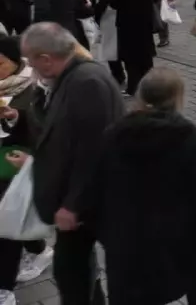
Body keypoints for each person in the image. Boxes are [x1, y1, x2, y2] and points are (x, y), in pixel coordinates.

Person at [82, 68, 196, 305]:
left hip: (126, 240)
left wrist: (104, 232)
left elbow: (95, 188)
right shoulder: (189, 136)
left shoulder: (113, 135)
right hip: (181, 238)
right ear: (177, 99)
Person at [19, 23, 124, 305]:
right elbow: (64, 134)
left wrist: (73, 204)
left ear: (45, 59)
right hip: (80, 201)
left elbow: (94, 150)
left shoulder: (86, 82)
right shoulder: (69, 79)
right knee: (74, 272)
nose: (30, 66)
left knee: (72, 273)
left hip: (87, 203)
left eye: (31, 60)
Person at [0, 36, 53, 303]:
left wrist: (15, 117)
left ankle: (4, 289)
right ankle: (38, 249)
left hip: (17, 161)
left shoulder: (32, 88)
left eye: (0, 63)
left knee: (6, 226)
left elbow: (39, 130)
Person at [110, 0, 158, 96]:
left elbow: (114, 3)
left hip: (127, 26)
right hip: (144, 25)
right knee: (146, 58)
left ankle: (133, 87)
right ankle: (151, 85)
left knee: (131, 60)